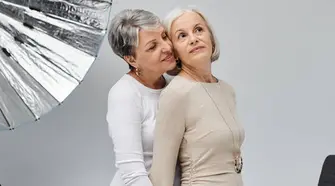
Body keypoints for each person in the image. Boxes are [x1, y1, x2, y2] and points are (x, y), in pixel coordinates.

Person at [149, 7, 245, 186]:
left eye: (198, 30)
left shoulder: (227, 90)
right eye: (182, 36)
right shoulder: (176, 94)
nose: (193, 39)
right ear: (174, 52)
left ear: (211, 38)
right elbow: (161, 176)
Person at [105, 9, 180, 186]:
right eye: (152, 46)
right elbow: (132, 173)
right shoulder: (124, 94)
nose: (167, 47)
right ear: (132, 60)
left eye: (164, 36)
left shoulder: (174, 87)